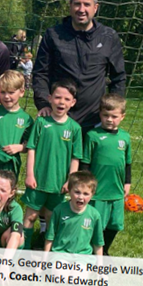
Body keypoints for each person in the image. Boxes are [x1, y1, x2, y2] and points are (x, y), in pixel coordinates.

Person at [32, 0, 126, 131]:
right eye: (77, 4)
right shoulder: (53, 35)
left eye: (87, 4)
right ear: (70, 6)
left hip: (94, 122)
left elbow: (118, 78)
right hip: (58, 118)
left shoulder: (109, 37)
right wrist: (44, 104)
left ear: (95, 7)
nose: (81, 10)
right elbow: (40, 73)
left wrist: (113, 111)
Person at [22, 80, 83, 249]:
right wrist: (30, 174)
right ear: (49, 98)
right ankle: (23, 250)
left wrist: (69, 181)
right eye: (57, 97)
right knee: (30, 216)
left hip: (58, 184)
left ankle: (46, 249)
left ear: (73, 103)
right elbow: (31, 149)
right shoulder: (41, 123)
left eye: (66, 99)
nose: (61, 102)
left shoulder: (75, 128)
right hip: (38, 181)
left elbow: (75, 158)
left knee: (50, 217)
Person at [82, 94, 131, 255]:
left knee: (115, 224)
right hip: (98, 191)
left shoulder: (125, 138)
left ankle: (105, 250)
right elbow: (86, 163)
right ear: (100, 114)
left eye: (114, 116)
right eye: (106, 115)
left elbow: (128, 163)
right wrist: (86, 185)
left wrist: (127, 182)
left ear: (122, 117)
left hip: (116, 190)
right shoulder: (92, 136)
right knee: (97, 224)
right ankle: (93, 250)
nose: (110, 119)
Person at [0, 71, 33, 199]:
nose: (6, 96)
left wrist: (19, 148)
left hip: (11, 162)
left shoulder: (26, 119)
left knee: (7, 190)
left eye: (11, 92)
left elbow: (29, 144)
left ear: (21, 92)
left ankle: (5, 216)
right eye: (2, 92)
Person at [44, 171, 104, 256]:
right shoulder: (59, 210)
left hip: (83, 256)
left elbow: (98, 243)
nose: (80, 197)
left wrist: (100, 265)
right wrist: (44, 261)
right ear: (69, 191)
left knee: (80, 269)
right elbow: (50, 237)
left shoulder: (94, 215)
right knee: (59, 269)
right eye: (77, 192)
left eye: (86, 194)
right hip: (60, 254)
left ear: (92, 194)